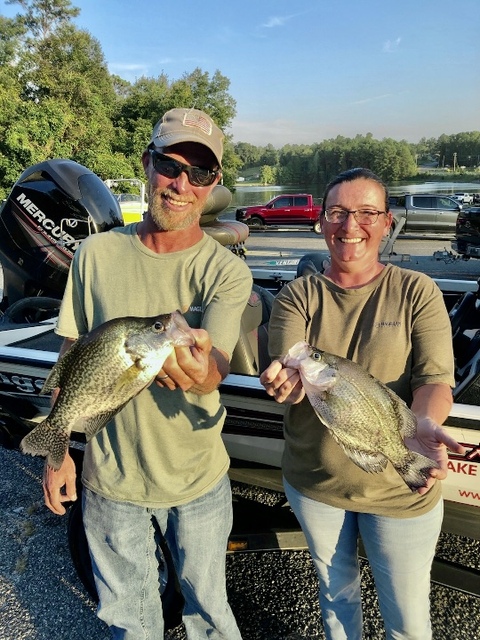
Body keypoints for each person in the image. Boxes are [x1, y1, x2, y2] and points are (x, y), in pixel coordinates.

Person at [43, 107, 252, 639]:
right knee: (129, 622)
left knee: (210, 614)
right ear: (147, 163)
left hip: (197, 478)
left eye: (200, 173)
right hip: (110, 481)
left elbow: (216, 368)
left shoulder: (226, 270)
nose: (181, 184)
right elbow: (73, 352)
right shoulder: (94, 253)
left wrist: (201, 372)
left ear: (214, 185)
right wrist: (57, 450)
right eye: (170, 165)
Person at [260, 167, 466, 640]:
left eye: (367, 212)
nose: (350, 226)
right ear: (321, 222)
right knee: (336, 601)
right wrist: (285, 382)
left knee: (409, 620)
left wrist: (423, 424)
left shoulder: (417, 291)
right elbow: (291, 364)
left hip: (400, 487)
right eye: (337, 213)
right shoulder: (298, 295)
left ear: (387, 222)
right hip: (317, 485)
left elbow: (435, 380)